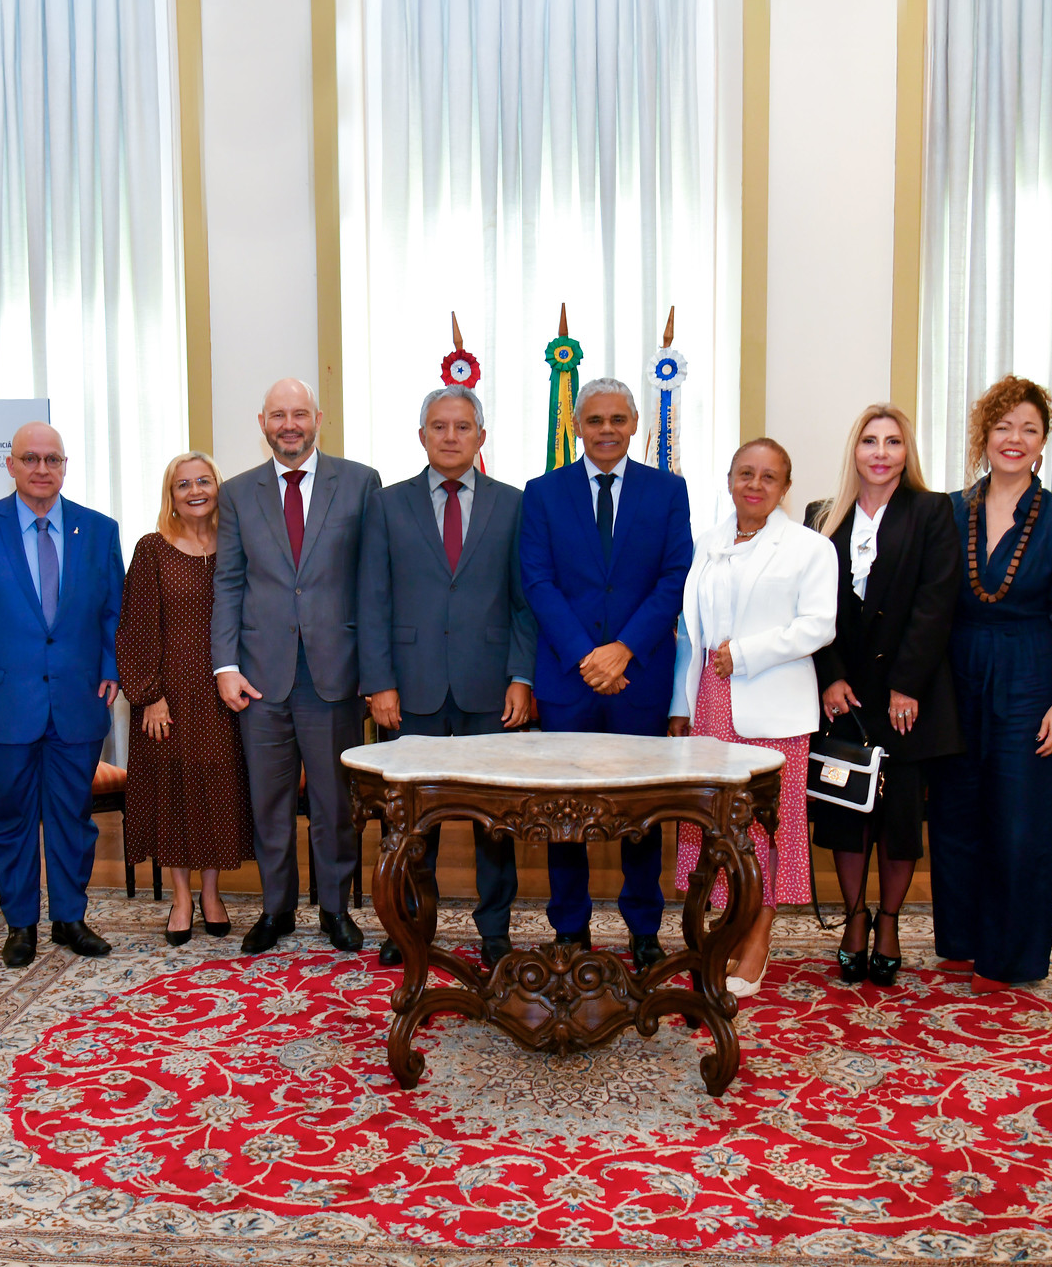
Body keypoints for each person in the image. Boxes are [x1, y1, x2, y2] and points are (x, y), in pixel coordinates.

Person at [358, 385, 537, 969]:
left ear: (481, 436)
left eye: (463, 427)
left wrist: (521, 676)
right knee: (410, 820)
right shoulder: (386, 504)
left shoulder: (514, 504)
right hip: (410, 686)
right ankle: (410, 924)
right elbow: (373, 599)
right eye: (440, 426)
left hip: (492, 685)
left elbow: (522, 603)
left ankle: (495, 932)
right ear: (422, 436)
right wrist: (379, 681)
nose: (451, 436)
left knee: (496, 822)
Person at [924, 375, 1052, 992]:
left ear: (1043, 442)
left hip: (1029, 671)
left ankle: (1011, 956)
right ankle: (963, 940)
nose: (1014, 439)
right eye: (1002, 427)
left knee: (1020, 822)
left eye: (1028, 428)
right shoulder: (949, 509)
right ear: (983, 437)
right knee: (956, 812)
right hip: (957, 671)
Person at [519, 378, 693, 968]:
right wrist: (587, 656)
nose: (608, 429)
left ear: (636, 423)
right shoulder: (542, 493)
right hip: (570, 678)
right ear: (575, 425)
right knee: (566, 811)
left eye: (619, 419)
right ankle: (569, 928)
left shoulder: (668, 490)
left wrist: (623, 649)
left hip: (639, 675)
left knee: (639, 814)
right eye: (595, 420)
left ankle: (644, 926)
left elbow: (675, 577)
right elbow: (537, 582)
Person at [213, 379, 383, 956]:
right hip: (260, 676)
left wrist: (374, 669)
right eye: (279, 415)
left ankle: (336, 909)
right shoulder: (237, 493)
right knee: (270, 802)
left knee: (336, 803)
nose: (290, 424)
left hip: (336, 673)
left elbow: (371, 582)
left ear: (319, 419)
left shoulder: (360, 483)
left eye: (300, 414)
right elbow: (229, 582)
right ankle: (276, 908)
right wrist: (225, 666)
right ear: (262, 421)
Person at [667, 439, 836, 994]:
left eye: (768, 477)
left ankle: (758, 939)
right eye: (746, 473)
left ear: (786, 488)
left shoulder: (810, 548)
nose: (755, 485)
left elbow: (819, 626)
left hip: (774, 707)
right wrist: (681, 703)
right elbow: (690, 632)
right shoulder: (708, 543)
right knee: (710, 820)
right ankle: (724, 925)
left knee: (770, 826)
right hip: (711, 702)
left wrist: (747, 652)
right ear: (730, 478)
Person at [0, 423, 124, 968]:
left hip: (79, 699)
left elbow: (114, 612)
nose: (41, 468)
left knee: (74, 815)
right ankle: (21, 923)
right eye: (30, 458)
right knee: (13, 816)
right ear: (10, 464)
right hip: (2, 702)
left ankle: (70, 918)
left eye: (52, 459)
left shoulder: (98, 530)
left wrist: (111, 667)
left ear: (65, 465)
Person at [807, 404, 961, 988]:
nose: (880, 452)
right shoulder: (823, 514)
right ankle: (855, 917)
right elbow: (814, 607)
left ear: (906, 452)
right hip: (845, 692)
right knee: (848, 815)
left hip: (907, 694)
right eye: (869, 441)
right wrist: (830, 675)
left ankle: (890, 921)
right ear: (855, 450)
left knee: (899, 818)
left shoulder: (932, 510)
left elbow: (936, 603)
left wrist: (907, 684)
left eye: (892, 442)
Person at [117, 452, 252, 944]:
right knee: (171, 790)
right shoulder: (151, 549)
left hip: (222, 691)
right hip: (167, 694)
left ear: (218, 487)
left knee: (217, 788)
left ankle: (212, 894)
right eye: (183, 484)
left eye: (204, 481)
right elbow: (135, 627)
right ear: (170, 495)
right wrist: (149, 696)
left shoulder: (236, 546)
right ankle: (179, 897)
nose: (195, 490)